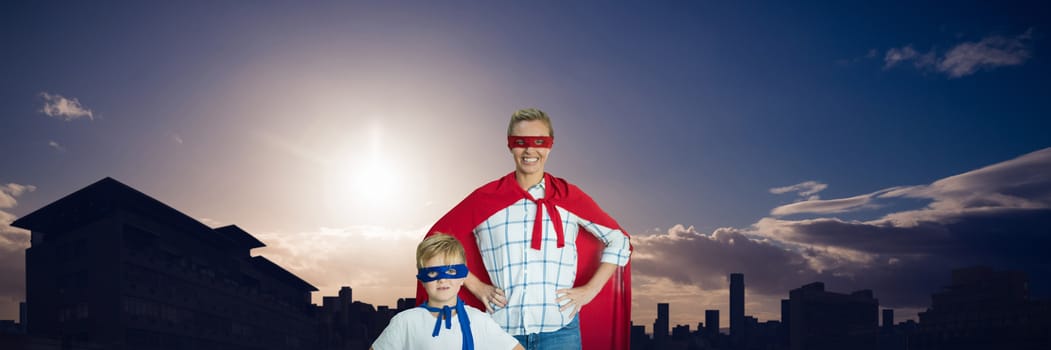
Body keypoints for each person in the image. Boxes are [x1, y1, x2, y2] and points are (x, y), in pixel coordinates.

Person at [418, 108, 632, 350]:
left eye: (539, 141)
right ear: (510, 146)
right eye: (521, 142)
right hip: (500, 334)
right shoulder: (485, 200)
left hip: (561, 333)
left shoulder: (569, 197)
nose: (530, 150)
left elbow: (619, 240)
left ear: (550, 146)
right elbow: (434, 243)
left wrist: (590, 290)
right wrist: (476, 286)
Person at [372, 234, 524, 350]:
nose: (442, 280)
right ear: (422, 278)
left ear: (463, 277)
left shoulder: (479, 321)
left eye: (451, 271)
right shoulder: (405, 322)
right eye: (432, 273)